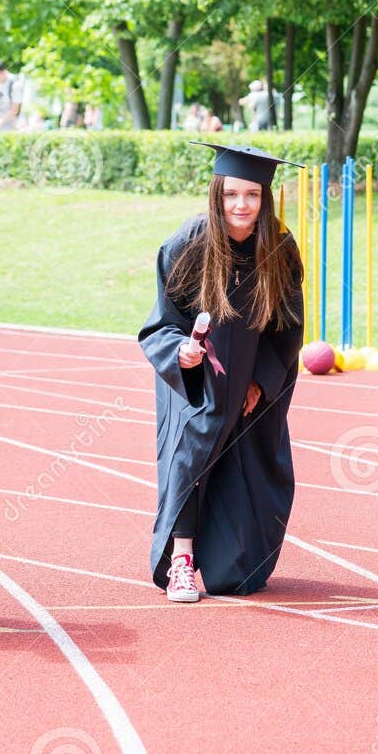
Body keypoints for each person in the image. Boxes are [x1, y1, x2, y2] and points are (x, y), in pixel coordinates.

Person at [140, 142, 304, 601]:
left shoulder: (279, 248)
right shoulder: (188, 245)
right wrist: (180, 353)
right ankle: (182, 560)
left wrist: (261, 381)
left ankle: (230, 556)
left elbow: (287, 327)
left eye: (252, 195)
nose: (241, 205)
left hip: (249, 381)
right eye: (232, 194)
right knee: (190, 455)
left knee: (239, 571)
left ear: (264, 198)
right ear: (216, 194)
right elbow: (162, 322)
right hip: (196, 380)